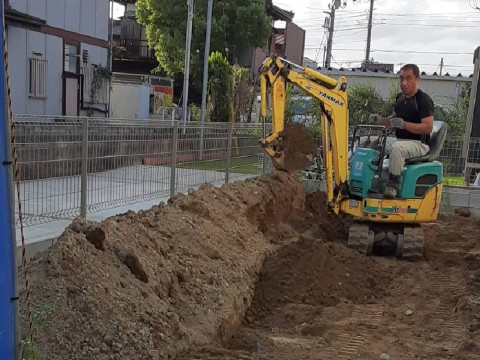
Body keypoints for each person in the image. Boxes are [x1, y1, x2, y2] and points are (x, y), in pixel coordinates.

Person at [369, 64, 434, 198]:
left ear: (417, 79)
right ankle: (370, 182)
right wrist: (381, 120)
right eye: (401, 78)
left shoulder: (423, 100)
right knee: (369, 143)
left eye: (408, 78)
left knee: (397, 148)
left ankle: (392, 186)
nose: (404, 83)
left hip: (419, 144)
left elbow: (428, 127)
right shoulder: (400, 97)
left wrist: (405, 125)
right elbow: (393, 120)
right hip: (400, 140)